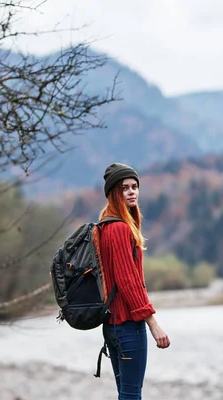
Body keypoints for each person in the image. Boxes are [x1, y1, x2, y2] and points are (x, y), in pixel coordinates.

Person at [97, 162, 170, 399]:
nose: (132, 192)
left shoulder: (105, 226)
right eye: (124, 188)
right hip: (127, 325)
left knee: (126, 394)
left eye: (135, 186)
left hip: (113, 326)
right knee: (131, 395)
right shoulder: (118, 229)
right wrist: (153, 323)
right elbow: (128, 281)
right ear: (113, 193)